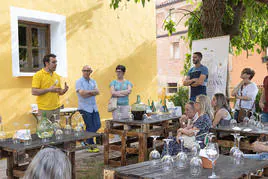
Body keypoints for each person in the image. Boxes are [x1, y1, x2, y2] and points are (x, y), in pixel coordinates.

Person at [32, 54, 69, 121]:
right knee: (44, 131)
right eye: (53, 62)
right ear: (46, 63)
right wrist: (49, 89)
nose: (56, 64)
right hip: (44, 110)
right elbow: (34, 92)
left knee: (56, 130)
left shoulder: (57, 76)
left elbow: (59, 92)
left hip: (56, 108)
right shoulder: (38, 75)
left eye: (56, 62)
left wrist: (64, 90)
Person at [76, 65, 100, 152]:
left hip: (94, 107)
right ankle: (91, 144)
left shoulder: (93, 81)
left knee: (98, 125)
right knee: (90, 126)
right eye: (84, 70)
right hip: (84, 107)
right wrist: (92, 92)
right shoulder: (79, 82)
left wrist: (88, 92)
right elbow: (82, 94)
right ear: (82, 71)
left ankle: (84, 139)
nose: (86, 72)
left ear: (91, 72)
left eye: (88, 70)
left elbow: (97, 92)